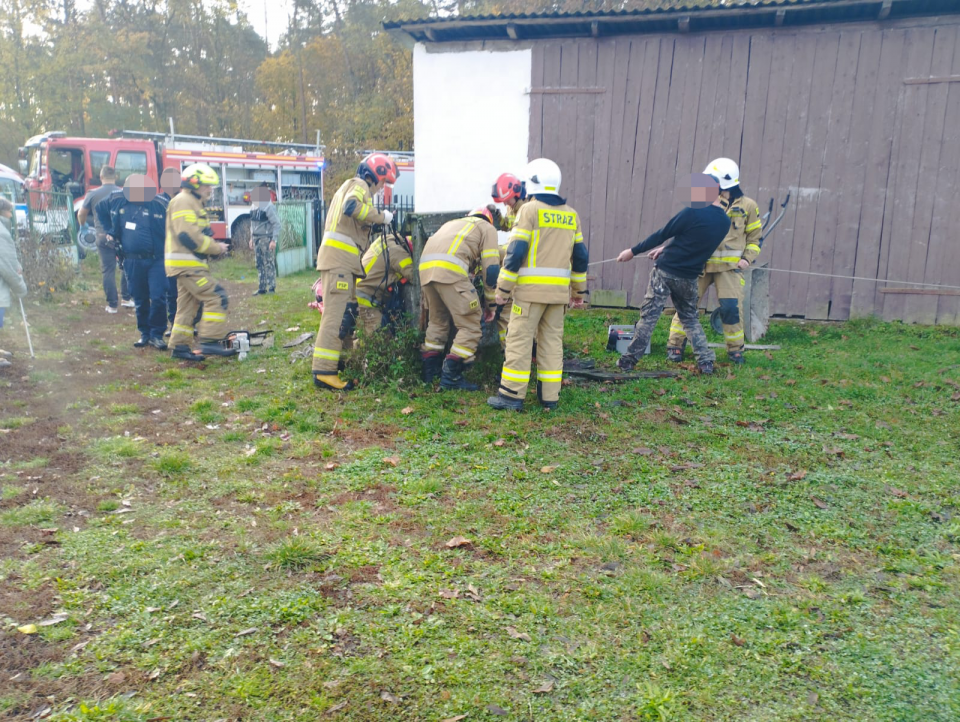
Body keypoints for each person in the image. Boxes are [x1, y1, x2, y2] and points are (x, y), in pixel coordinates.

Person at [487, 159, 588, 412]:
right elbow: (581, 256)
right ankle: (549, 397)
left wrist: (502, 290)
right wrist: (578, 292)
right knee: (552, 343)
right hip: (558, 296)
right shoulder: (571, 215)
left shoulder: (529, 211)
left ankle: (511, 396)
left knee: (519, 341)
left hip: (530, 295)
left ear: (532, 182)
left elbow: (516, 251)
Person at [614, 172, 732, 375]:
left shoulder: (693, 211)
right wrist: (666, 248)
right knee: (690, 319)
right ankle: (705, 361)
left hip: (666, 271)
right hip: (690, 276)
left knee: (649, 316)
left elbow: (662, 233)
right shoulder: (724, 221)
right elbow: (692, 238)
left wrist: (632, 252)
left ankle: (629, 360)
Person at [311, 153, 398, 391]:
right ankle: (324, 371)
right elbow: (353, 207)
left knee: (346, 314)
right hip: (339, 261)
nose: (382, 189)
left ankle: (337, 362)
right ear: (375, 176)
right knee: (336, 316)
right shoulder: (358, 186)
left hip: (343, 263)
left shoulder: (348, 186)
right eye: (383, 183)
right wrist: (382, 217)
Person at [666, 158, 762, 365]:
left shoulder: (748, 206)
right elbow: (686, 228)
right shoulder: (701, 201)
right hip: (699, 265)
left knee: (731, 308)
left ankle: (735, 350)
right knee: (686, 305)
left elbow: (755, 239)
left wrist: (747, 259)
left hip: (730, 269)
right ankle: (675, 345)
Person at [419, 205, 501, 390]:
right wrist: (491, 304)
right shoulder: (487, 228)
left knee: (438, 321)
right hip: (451, 271)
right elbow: (492, 270)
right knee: (471, 324)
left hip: (426, 271)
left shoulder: (454, 224)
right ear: (489, 219)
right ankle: (451, 378)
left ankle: (430, 374)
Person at [165, 163, 231, 362]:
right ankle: (210, 341)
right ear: (194, 185)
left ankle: (179, 346)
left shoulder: (189, 201)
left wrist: (211, 243)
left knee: (187, 306)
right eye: (207, 186)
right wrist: (215, 248)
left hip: (187, 265)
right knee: (216, 297)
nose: (210, 190)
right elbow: (188, 235)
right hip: (188, 266)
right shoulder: (184, 201)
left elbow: (194, 233)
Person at [97, 174, 169, 350]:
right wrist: (110, 231)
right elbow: (99, 209)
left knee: (158, 297)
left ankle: (157, 334)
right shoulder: (116, 199)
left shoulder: (159, 203)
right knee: (140, 298)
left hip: (157, 259)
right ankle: (144, 333)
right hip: (131, 260)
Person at [77, 166, 133, 314]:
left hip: (102, 236)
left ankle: (112, 305)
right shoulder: (124, 193)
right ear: (115, 177)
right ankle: (127, 299)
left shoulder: (93, 194)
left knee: (108, 270)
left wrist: (83, 226)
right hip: (122, 236)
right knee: (125, 266)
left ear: (101, 177)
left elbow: (82, 213)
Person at [491, 172, 529, 348]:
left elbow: (518, 246)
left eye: (506, 200)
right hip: (512, 262)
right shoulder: (513, 206)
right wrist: (498, 217)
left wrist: (497, 253)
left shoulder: (528, 210)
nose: (505, 203)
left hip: (519, 260)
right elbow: (507, 225)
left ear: (516, 193)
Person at [354, 230, 415, 339]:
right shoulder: (398, 253)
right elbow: (415, 277)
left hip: (359, 295)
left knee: (367, 335)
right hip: (366, 301)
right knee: (381, 340)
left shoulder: (388, 239)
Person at [0, 198, 27, 368]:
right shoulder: (2, 233)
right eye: (10, 211)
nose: (11, 215)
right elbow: (7, 266)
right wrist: (20, 288)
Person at [158, 169, 183, 335]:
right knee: (171, 292)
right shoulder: (157, 201)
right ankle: (173, 323)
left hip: (184, 253)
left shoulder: (186, 200)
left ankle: (190, 323)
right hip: (165, 253)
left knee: (187, 292)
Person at [249, 184, 282, 296]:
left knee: (269, 263)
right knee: (259, 263)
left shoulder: (269, 206)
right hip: (256, 237)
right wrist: (251, 238)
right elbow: (252, 223)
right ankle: (261, 288)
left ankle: (272, 287)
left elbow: (276, 224)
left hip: (266, 238)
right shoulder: (253, 206)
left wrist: (274, 240)